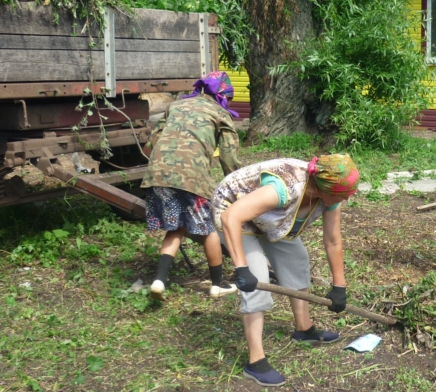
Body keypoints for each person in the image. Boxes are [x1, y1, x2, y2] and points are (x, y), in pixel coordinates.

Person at [210, 154, 359, 387]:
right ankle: (255, 361)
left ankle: (304, 329)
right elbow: (232, 216)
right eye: (344, 194)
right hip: (233, 208)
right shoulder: (285, 187)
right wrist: (241, 268)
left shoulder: (330, 197)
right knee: (257, 280)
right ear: (325, 188)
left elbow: (333, 241)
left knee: (297, 261)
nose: (349, 198)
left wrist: (339, 286)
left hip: (272, 217)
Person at [141, 71, 243, 301]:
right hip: (191, 178)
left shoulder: (175, 106)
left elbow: (153, 141)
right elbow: (228, 157)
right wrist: (236, 188)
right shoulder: (220, 113)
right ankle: (219, 284)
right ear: (223, 95)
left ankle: (159, 280)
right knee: (208, 231)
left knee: (176, 227)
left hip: (158, 175)